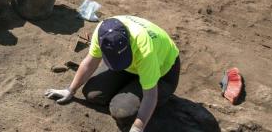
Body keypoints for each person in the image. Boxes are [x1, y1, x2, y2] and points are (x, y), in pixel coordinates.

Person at [45, 16, 180, 132]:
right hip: (133, 66)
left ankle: (159, 93)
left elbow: (150, 95)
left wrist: (137, 128)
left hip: (163, 73)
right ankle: (131, 84)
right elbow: (90, 62)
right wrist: (70, 90)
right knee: (92, 94)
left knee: (121, 111)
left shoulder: (145, 51)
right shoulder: (103, 33)